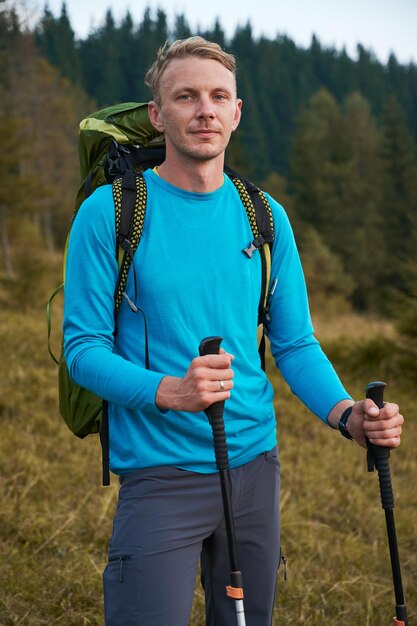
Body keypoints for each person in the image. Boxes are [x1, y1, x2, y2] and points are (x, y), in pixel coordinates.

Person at [63, 36, 404, 626]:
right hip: (160, 472)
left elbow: (294, 344)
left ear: (237, 111)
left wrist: (348, 416)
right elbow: (83, 349)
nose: (205, 110)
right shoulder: (110, 213)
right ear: (157, 114)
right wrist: (170, 391)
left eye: (219, 96)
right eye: (187, 96)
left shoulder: (265, 216)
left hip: (255, 468)